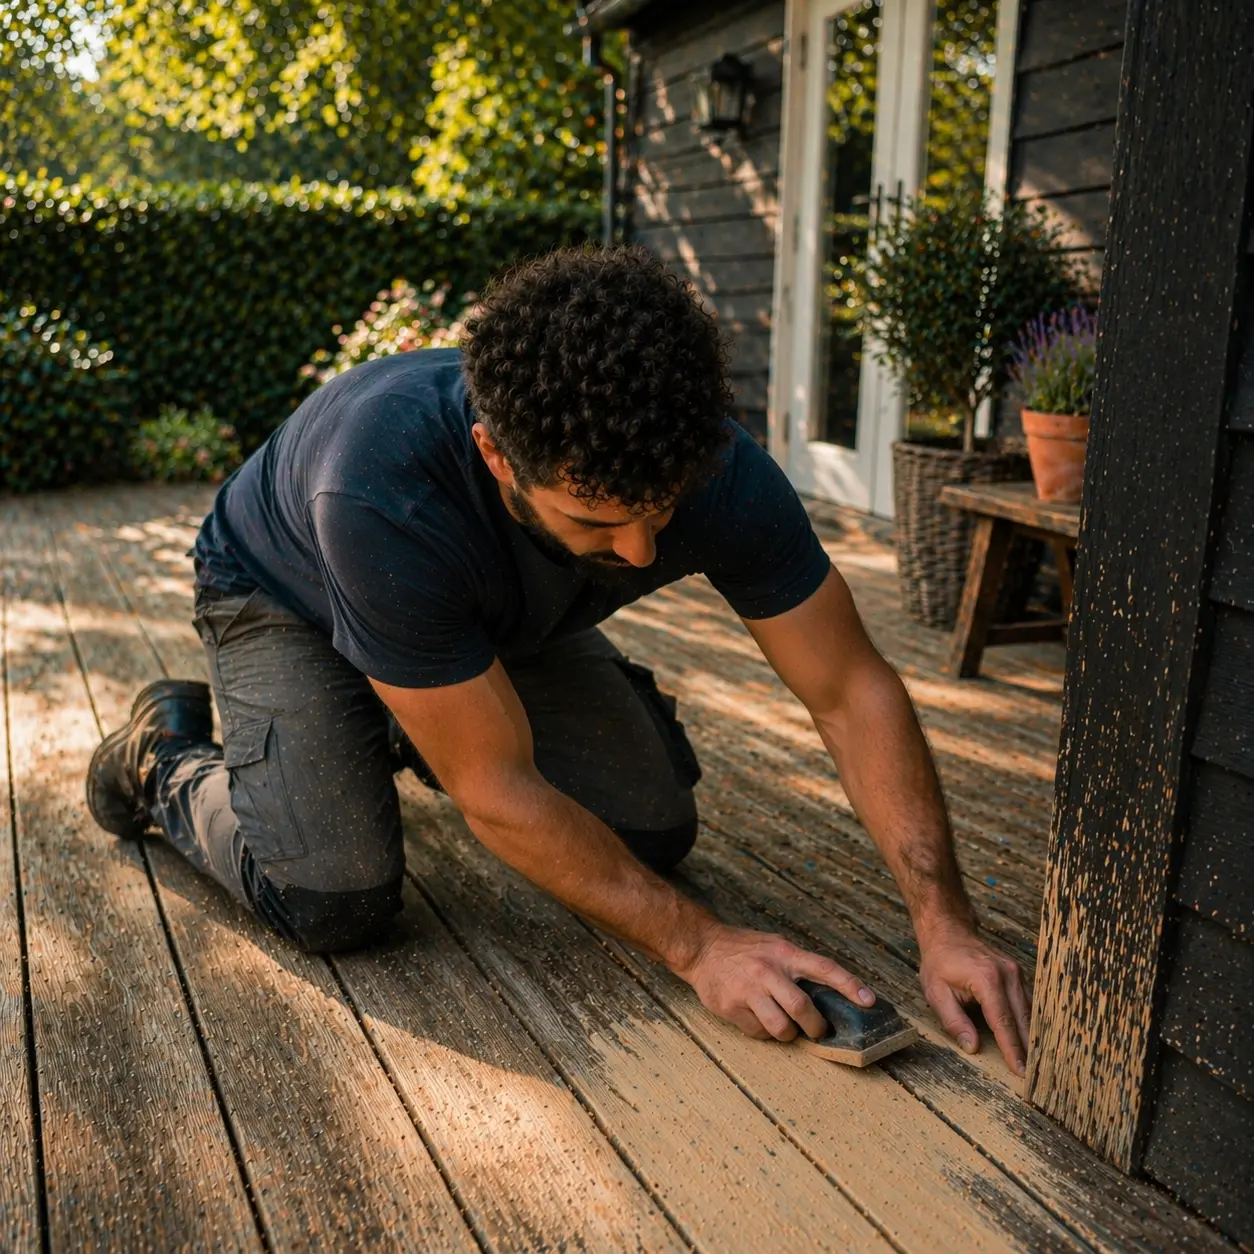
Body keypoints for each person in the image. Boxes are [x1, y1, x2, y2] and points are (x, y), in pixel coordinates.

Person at [87, 245, 1030, 1073]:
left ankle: (411, 707)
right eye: (597, 521)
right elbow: (496, 793)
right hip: (280, 593)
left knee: (651, 837)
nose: (639, 556)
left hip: (480, 620)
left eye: (660, 513)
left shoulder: (712, 465)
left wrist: (945, 921)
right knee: (331, 897)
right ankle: (161, 757)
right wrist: (700, 948)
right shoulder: (379, 489)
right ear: (495, 455)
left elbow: (852, 689)